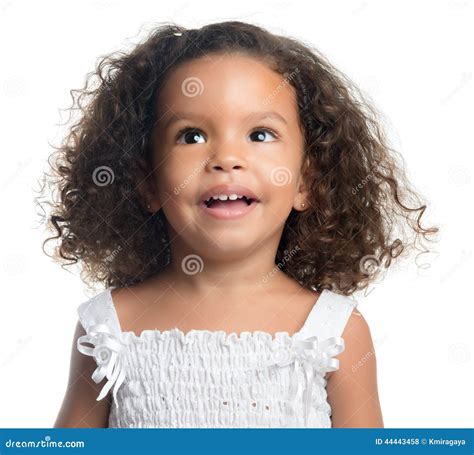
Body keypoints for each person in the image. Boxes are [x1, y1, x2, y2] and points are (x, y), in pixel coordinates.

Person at [45, 20, 438, 428]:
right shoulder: (109, 328)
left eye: (261, 134)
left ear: (307, 181)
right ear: (148, 182)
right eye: (192, 136)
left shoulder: (333, 332)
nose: (227, 157)